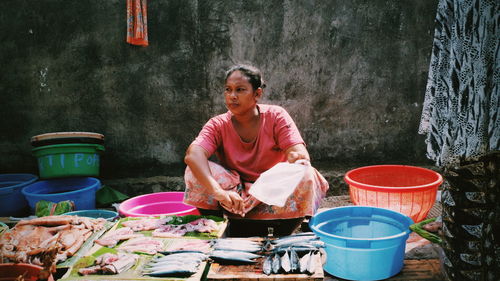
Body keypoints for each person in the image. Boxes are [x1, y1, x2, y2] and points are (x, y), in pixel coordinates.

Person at [183, 64, 329, 236]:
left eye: (240, 90)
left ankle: (283, 231)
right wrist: (219, 192)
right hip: (234, 194)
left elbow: (297, 152)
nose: (232, 96)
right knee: (193, 170)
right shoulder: (218, 124)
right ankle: (218, 228)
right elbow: (193, 155)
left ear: (257, 94)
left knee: (306, 173)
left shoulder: (276, 116)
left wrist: (295, 157)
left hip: (271, 191)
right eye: (228, 90)